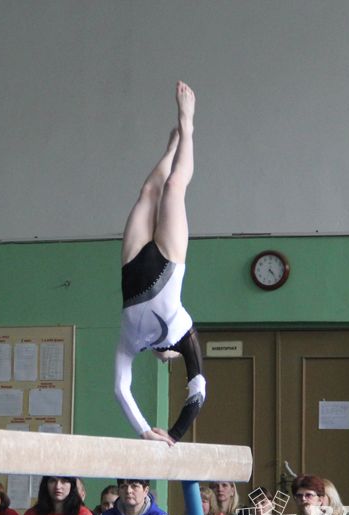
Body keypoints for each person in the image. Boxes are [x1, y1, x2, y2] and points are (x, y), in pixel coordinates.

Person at [114, 80, 205, 446]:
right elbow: (198, 389)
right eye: (169, 360)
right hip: (169, 260)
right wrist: (176, 433)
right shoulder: (184, 334)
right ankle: (187, 127)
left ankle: (172, 147)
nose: (166, 359)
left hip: (132, 263)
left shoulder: (130, 343)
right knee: (174, 189)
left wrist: (144, 431)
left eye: (164, 359)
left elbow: (121, 389)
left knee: (149, 191)